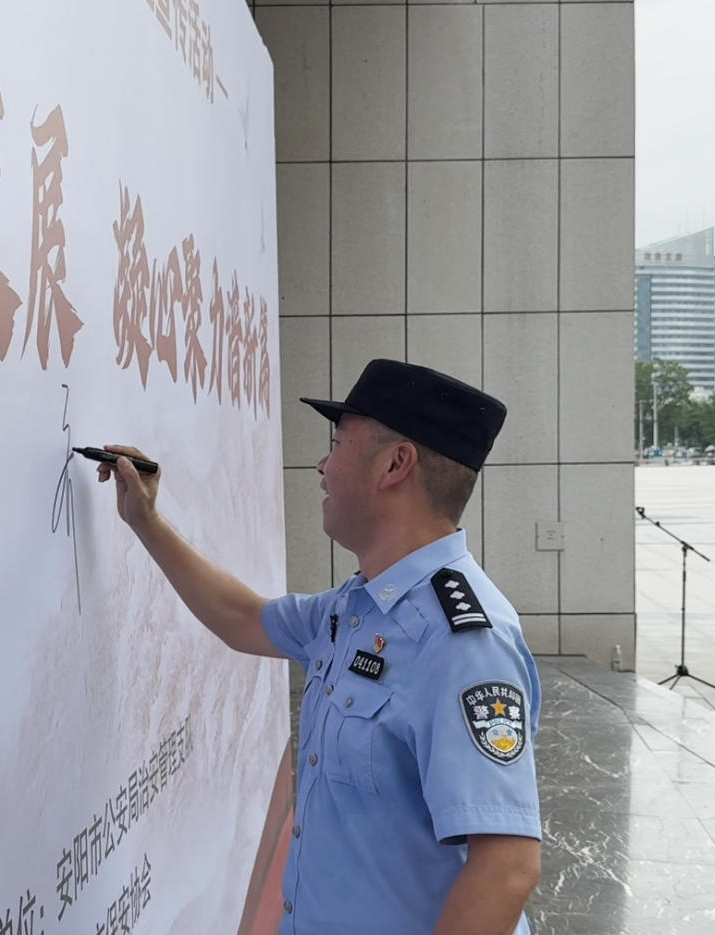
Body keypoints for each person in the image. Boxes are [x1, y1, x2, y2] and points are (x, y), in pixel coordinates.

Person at [94, 359, 541, 934]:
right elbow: (242, 618)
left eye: (337, 445)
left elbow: (506, 867)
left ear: (395, 464)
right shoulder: (355, 606)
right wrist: (147, 521)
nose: (322, 466)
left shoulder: (463, 642)